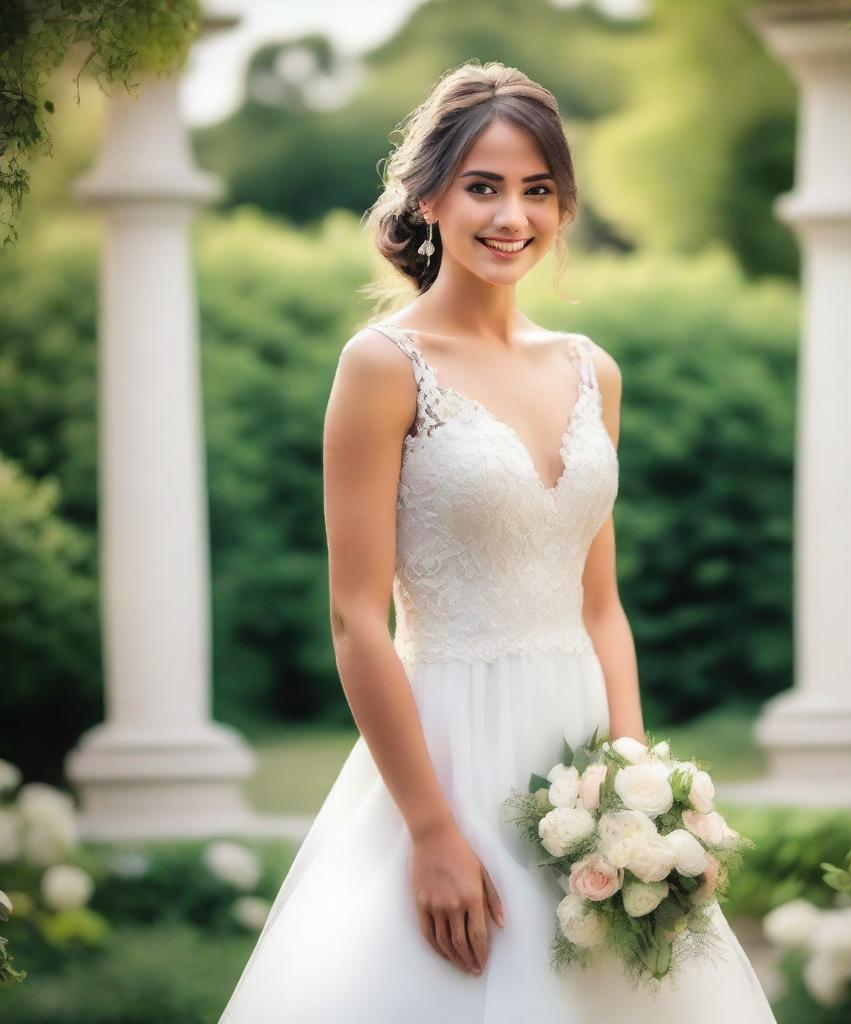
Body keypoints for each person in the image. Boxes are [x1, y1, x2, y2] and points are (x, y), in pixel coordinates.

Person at [218, 59, 776, 1023]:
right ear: (428, 197)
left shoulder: (591, 369)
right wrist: (431, 829)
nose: (511, 216)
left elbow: (600, 605)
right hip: (450, 750)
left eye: (537, 191)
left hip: (581, 755)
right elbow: (356, 618)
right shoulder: (382, 367)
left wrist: (634, 788)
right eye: (483, 187)